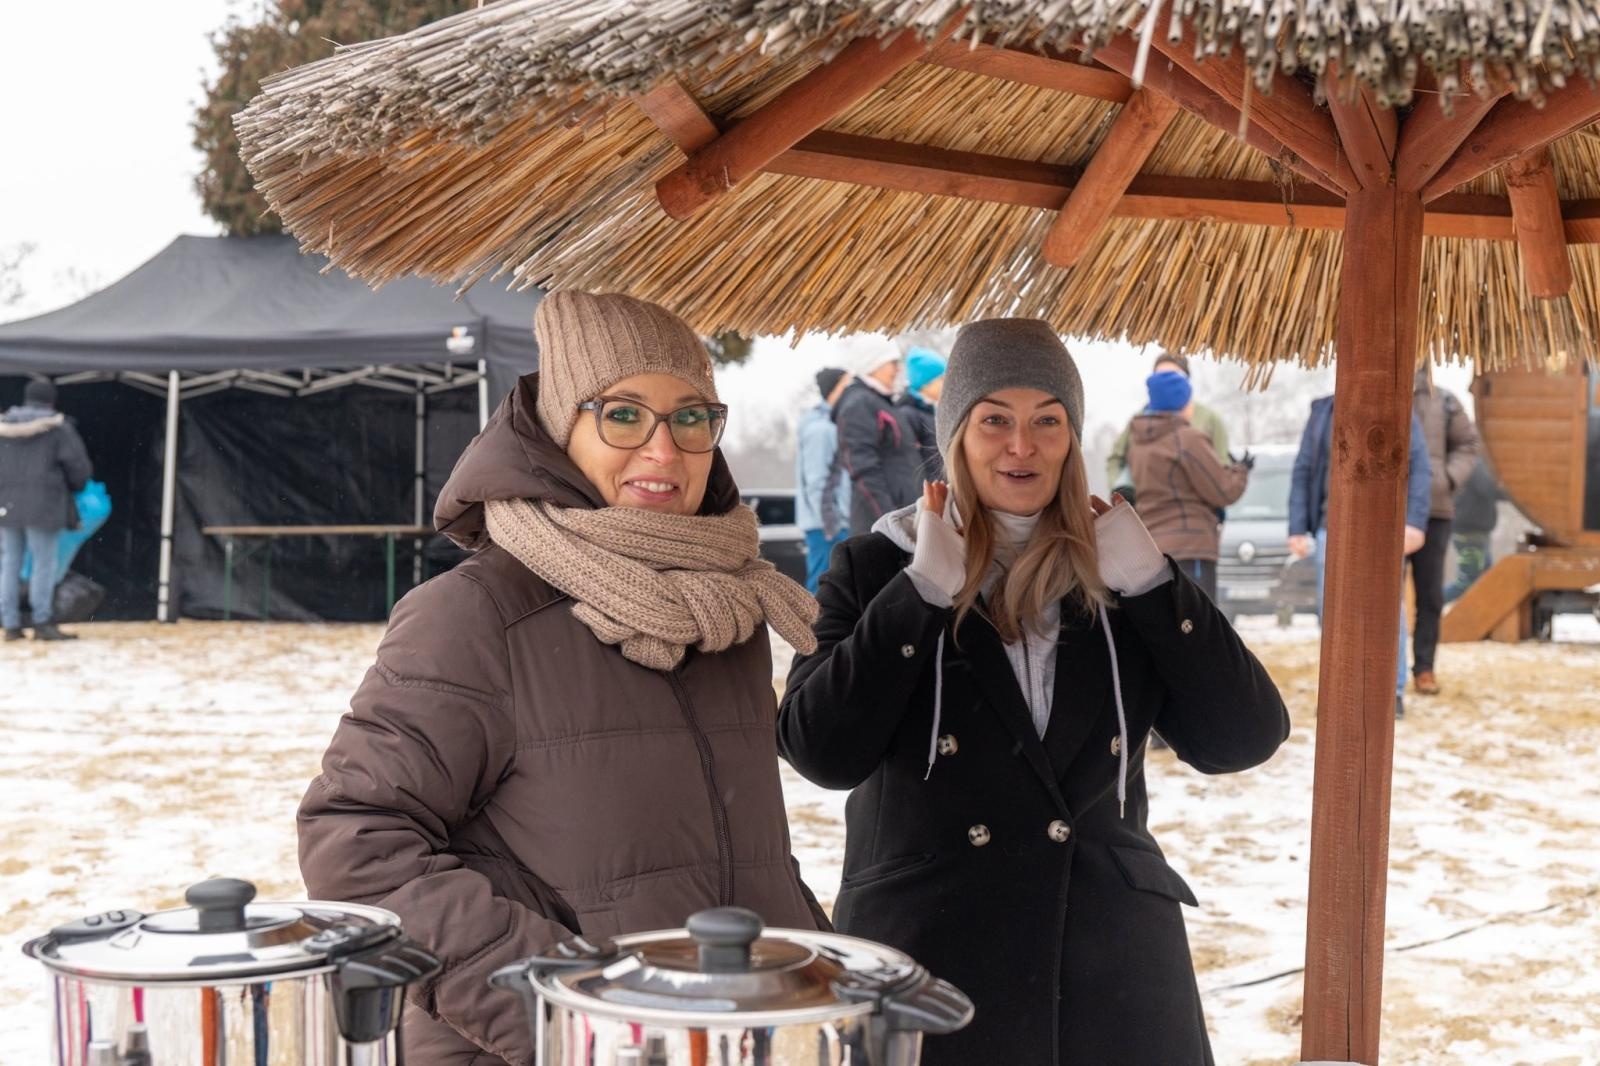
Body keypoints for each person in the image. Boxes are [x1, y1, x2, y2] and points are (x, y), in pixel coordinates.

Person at [298, 292, 830, 1065]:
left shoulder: (727, 610)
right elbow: (355, 845)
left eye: (690, 417)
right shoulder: (474, 615)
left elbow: (746, 851)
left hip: (726, 1034)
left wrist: (808, 968)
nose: (663, 449)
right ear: (560, 427)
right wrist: (565, 1006)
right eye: (623, 414)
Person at [779, 318, 1289, 1065]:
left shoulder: (1123, 577)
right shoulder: (876, 566)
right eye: (995, 420)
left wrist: (1152, 585)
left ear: (1072, 437)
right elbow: (822, 752)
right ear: (956, 433)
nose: (1022, 445)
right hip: (935, 949)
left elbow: (1243, 738)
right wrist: (921, 592)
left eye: (1047, 421)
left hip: (1110, 963)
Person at [1288, 393, 1431, 718]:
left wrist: (1414, 523)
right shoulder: (1323, 411)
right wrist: (1297, 527)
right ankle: (1339, 691)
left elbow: (1420, 467)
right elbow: (1304, 468)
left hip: (1385, 526)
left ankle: (1391, 692)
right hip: (1331, 527)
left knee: (1387, 608)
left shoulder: (1398, 406)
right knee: (1335, 612)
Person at [1124, 368, 1251, 602]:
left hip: (1153, 548)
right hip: (1191, 549)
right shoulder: (1187, 439)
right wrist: (1241, 471)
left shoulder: (1137, 444)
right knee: (1200, 629)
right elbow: (1222, 489)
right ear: (1181, 401)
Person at [1, 380, 93, 643]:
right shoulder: (59, 429)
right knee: (44, 564)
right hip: (44, 504)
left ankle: (10, 624)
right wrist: (77, 487)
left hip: (6, 504)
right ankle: (42, 621)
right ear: (51, 401)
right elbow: (79, 468)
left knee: (9, 563)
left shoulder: (4, 427)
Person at [1410, 367, 1481, 694]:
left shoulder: (1447, 401)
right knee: (1382, 596)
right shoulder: (1377, 390)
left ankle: (1424, 668)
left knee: (1431, 596)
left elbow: (1468, 444)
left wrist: (1447, 479)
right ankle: (1383, 669)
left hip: (1435, 511)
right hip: (1387, 512)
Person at [1106, 351, 1230, 500]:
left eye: (1173, 376)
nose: (1166, 382)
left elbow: (1222, 466)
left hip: (1193, 513)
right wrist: (1121, 492)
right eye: (1160, 376)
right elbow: (1115, 459)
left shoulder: (1209, 419)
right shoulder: (1138, 421)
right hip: (1146, 513)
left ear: (1186, 381)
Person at [834, 347, 921, 534]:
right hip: (879, 526)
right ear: (873, 364)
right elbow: (862, 469)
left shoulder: (883, 402)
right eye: (892, 363)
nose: (898, 370)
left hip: (903, 515)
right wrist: (888, 520)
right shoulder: (858, 404)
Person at [797, 367, 853, 593]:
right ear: (833, 391)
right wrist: (831, 525)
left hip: (837, 521)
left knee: (838, 590)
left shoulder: (835, 424)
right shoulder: (820, 430)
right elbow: (817, 480)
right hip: (826, 526)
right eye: (846, 386)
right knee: (823, 587)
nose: (852, 391)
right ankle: (813, 630)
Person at [1445, 457, 1503, 603]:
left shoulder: (1471, 463)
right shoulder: (1476, 465)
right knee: (1466, 584)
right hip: (1471, 534)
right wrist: (1513, 491)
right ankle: (1428, 604)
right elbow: (1490, 489)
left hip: (1472, 533)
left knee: (1484, 581)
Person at [898, 346, 947, 482]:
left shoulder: (931, 410)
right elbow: (910, 461)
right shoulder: (908, 415)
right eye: (941, 379)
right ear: (925, 383)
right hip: (926, 491)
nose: (946, 383)